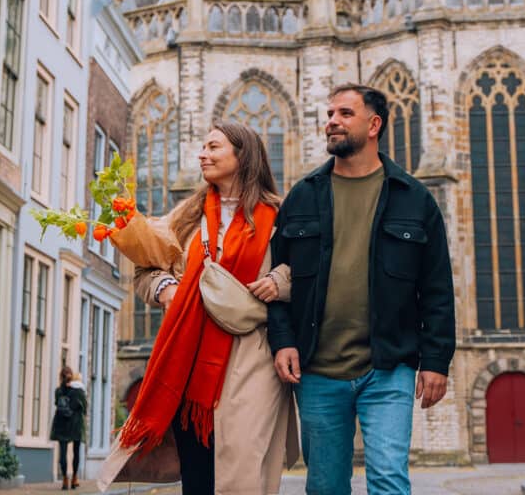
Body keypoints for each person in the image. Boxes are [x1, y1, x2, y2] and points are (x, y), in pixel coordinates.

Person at [268, 84, 455, 495]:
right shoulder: (302, 197)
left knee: (388, 479)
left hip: (389, 368)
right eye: (330, 112)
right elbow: (275, 282)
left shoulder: (415, 200)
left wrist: (437, 360)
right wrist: (282, 340)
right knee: (326, 486)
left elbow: (437, 287)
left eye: (344, 113)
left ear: (374, 125)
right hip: (317, 369)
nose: (332, 121)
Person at [101, 121, 298, 495]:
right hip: (189, 358)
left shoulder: (281, 215)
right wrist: (166, 289)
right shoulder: (185, 216)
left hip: (253, 356)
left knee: (244, 468)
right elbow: (146, 270)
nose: (202, 154)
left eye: (213, 147)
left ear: (242, 156)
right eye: (203, 148)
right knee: (198, 472)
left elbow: (309, 269)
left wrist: (279, 282)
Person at [50, 365, 87, 489]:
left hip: (62, 424)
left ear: (61, 377)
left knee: (63, 453)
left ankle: (65, 479)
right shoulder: (79, 391)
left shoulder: (58, 391)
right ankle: (75, 478)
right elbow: (85, 407)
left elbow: (57, 403)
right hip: (76, 425)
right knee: (76, 452)